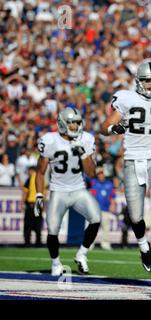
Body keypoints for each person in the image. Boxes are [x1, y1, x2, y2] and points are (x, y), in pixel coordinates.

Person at [101, 59, 151, 273]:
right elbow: (103, 126)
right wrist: (112, 129)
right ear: (139, 81)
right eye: (147, 81)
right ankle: (144, 247)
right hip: (133, 159)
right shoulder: (126, 98)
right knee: (135, 216)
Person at [35, 107, 101, 276]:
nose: (75, 126)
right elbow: (40, 172)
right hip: (58, 191)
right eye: (72, 123)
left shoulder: (86, 139)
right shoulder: (50, 140)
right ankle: (55, 263)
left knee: (96, 218)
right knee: (53, 229)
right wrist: (39, 194)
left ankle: (82, 254)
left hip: (78, 189)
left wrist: (83, 153)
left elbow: (92, 173)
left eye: (78, 122)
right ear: (63, 124)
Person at [90, 167, 116, 250]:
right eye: (99, 174)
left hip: (105, 209)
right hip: (95, 209)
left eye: (102, 173)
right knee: (93, 227)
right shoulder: (93, 183)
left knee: (106, 227)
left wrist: (112, 205)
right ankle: (90, 243)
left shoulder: (109, 184)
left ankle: (105, 243)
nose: (101, 175)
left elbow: (112, 197)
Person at [22, 166, 43, 247]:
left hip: (31, 204)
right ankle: (38, 242)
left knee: (28, 224)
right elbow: (44, 193)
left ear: (32, 171)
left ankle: (27, 242)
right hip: (38, 203)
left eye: (29, 171)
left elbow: (25, 192)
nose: (28, 173)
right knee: (38, 224)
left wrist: (22, 202)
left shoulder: (30, 179)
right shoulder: (41, 178)